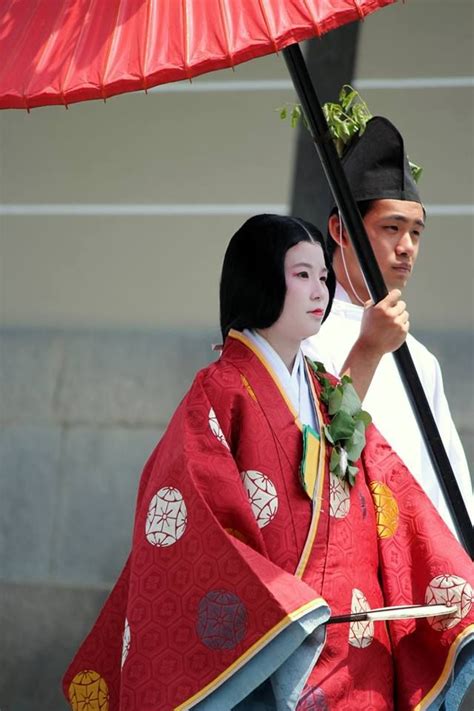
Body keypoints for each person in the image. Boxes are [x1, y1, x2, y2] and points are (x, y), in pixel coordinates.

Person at [63, 215, 473, 711]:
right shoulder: (220, 391)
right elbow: (191, 514)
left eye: (323, 276)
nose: (319, 289)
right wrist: (286, 608)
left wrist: (453, 575)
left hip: (357, 646)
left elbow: (386, 492)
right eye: (302, 274)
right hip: (275, 642)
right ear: (258, 278)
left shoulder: (323, 388)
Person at [302, 116, 473, 535]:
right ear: (341, 230)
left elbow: (446, 486)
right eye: (391, 228)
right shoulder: (303, 340)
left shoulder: (421, 359)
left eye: (416, 232)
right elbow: (310, 462)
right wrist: (369, 349)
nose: (406, 247)